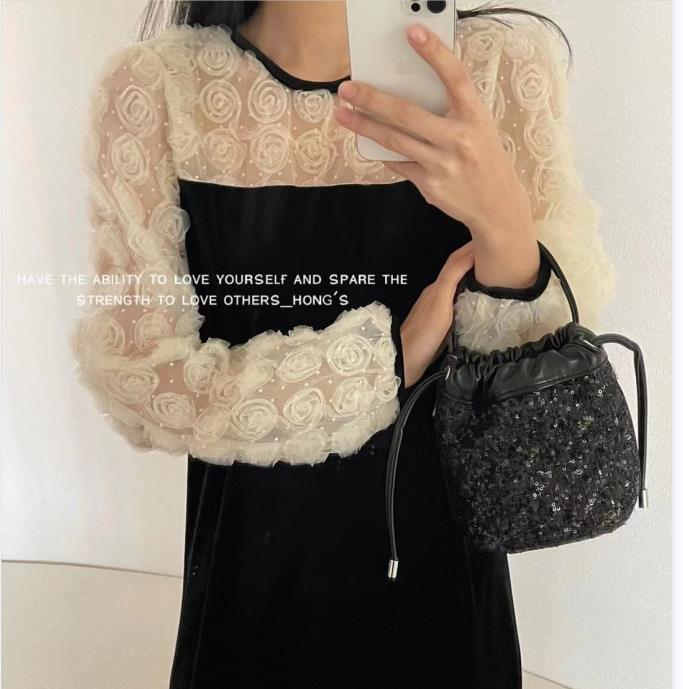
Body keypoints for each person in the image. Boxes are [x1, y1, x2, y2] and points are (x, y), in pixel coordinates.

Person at [70, 1, 617, 687]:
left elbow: (547, 350)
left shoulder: (498, 67)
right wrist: (383, 364)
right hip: (255, 579)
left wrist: (504, 226)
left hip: (444, 579)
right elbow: (139, 377)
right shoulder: (156, 90)